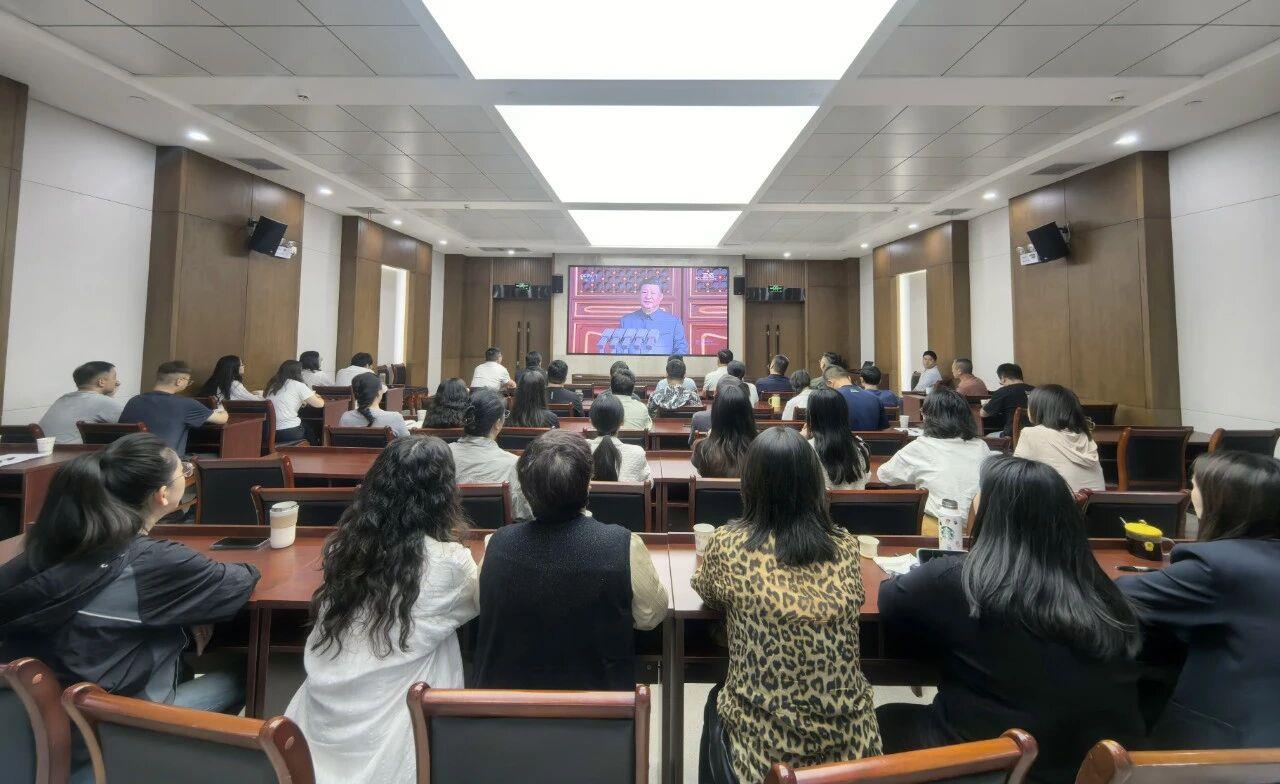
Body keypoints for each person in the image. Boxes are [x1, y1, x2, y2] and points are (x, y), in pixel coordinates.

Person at [877, 456, 1143, 783]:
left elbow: (889, 600)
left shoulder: (956, 580)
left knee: (884, 720)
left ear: (991, 515)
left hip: (997, 764)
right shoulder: (1104, 591)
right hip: (1095, 769)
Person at [0, 433, 259, 718]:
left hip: (30, 717)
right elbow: (240, 581)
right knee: (253, 670)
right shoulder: (154, 561)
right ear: (162, 494)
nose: (187, 473)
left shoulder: (41, 549)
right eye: (183, 470)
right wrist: (194, 604)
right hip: (117, 723)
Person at [693, 427, 881, 784]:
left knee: (716, 697)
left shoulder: (728, 545)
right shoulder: (845, 547)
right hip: (854, 760)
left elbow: (708, 591)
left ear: (749, 485)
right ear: (814, 484)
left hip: (765, 760)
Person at [286, 437, 478, 784]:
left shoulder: (345, 548)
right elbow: (479, 602)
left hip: (315, 729)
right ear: (445, 494)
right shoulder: (451, 564)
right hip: (398, 736)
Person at [472, 430, 667, 689]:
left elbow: (481, 604)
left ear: (525, 490)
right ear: (588, 485)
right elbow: (651, 616)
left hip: (508, 707)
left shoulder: (495, 545)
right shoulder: (625, 545)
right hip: (601, 706)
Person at [1118, 451, 1280, 750]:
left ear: (1222, 502)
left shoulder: (1218, 566)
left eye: (1194, 486)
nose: (1189, 494)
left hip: (1232, 749)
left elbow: (1118, 597)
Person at [878, 387, 994, 534]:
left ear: (929, 417)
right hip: (983, 531)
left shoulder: (921, 446)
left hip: (940, 530)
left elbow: (885, 476)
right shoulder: (981, 446)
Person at [449, 389, 532, 520]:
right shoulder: (514, 464)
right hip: (500, 533)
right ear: (498, 423)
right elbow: (524, 514)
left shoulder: (442, 455)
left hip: (449, 530)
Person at [120, 361, 227, 455]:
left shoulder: (134, 401)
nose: (188, 383)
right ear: (179, 381)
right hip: (164, 465)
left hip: (128, 461)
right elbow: (222, 419)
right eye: (188, 381)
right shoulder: (186, 404)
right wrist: (222, 409)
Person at [1013, 384, 1105, 493]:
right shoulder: (1084, 435)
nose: (1028, 409)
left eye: (1029, 405)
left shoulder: (1032, 433)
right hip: (1096, 501)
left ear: (1040, 409)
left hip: (1061, 501)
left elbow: (1015, 475)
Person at [38, 361, 125, 444]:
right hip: (70, 452)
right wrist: (108, 398)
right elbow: (128, 426)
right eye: (114, 378)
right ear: (101, 382)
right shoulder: (102, 402)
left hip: (42, 450)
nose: (117, 382)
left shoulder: (63, 398)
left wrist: (108, 396)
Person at [804, 388, 870, 490]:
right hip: (857, 500)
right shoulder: (860, 446)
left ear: (812, 416)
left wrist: (801, 439)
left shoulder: (807, 450)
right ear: (844, 414)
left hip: (825, 501)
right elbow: (866, 479)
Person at [691, 383, 756, 478]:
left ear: (715, 415)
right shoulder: (762, 449)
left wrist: (710, 438)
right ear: (748, 414)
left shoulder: (702, 449)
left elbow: (699, 469)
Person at [588, 393, 651, 484]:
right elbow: (649, 483)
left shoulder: (580, 450)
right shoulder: (637, 453)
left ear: (591, 423)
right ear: (622, 422)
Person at [615, 277, 688, 355]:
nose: (648, 297)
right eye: (644, 292)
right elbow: (619, 350)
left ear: (661, 297)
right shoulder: (626, 321)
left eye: (653, 293)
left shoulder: (673, 322)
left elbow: (681, 349)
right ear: (639, 295)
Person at [265, 359, 325, 444]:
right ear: (298, 372)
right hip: (289, 432)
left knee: (305, 425)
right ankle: (315, 449)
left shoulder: (272, 385)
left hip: (269, 432)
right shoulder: (298, 385)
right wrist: (320, 397)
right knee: (312, 429)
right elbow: (319, 404)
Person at [338, 373, 412, 437]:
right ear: (379, 392)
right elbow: (407, 445)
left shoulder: (345, 417)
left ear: (356, 395)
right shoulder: (395, 418)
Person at [825, 365, 888, 431]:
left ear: (829, 383)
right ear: (849, 378)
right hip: (872, 438)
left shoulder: (830, 399)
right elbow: (884, 428)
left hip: (843, 437)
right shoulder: (875, 398)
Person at [981, 363, 1034, 437]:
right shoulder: (1037, 390)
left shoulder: (1003, 391)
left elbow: (983, 414)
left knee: (987, 437)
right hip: (1035, 434)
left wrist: (986, 403)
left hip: (1011, 436)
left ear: (1003, 378)